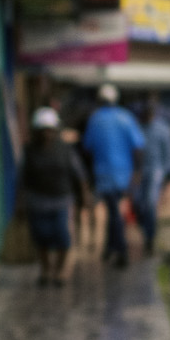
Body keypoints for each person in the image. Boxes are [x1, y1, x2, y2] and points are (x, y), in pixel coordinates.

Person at [19, 107, 88, 285]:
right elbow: (24, 178)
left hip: (61, 200)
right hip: (37, 201)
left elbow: (79, 175)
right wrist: (20, 204)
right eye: (43, 130)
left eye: (50, 130)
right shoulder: (30, 151)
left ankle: (59, 272)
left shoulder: (65, 150)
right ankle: (45, 270)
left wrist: (84, 197)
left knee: (63, 238)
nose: (46, 134)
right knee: (41, 237)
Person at [81, 83, 146, 268]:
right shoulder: (126, 118)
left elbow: (87, 148)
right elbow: (138, 147)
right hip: (123, 173)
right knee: (114, 211)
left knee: (114, 211)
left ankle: (120, 250)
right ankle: (111, 248)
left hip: (104, 173)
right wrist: (136, 171)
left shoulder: (95, 119)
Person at [136, 99, 170, 256]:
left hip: (156, 170)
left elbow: (167, 152)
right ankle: (146, 230)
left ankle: (150, 237)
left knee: (150, 203)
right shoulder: (139, 128)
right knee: (138, 203)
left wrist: (166, 175)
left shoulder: (161, 129)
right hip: (140, 170)